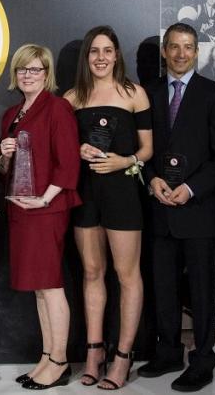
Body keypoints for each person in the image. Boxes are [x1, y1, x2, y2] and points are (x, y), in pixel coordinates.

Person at [139, 22, 215, 392]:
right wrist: (151, 178)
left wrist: (192, 189)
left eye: (188, 47)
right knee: (162, 287)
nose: (181, 53)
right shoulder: (146, 94)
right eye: (174, 47)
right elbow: (141, 149)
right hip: (159, 206)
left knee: (200, 290)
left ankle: (203, 358)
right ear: (164, 51)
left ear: (197, 52)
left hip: (197, 209)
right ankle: (168, 352)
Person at [64, 25, 153, 390]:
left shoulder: (135, 94)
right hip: (85, 194)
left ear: (117, 55)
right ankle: (94, 352)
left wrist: (124, 161)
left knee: (127, 275)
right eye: (94, 51)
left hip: (123, 194)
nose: (101, 57)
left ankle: (123, 356)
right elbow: (61, 149)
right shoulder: (71, 98)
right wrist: (77, 150)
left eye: (107, 50)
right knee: (91, 273)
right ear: (87, 57)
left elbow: (147, 150)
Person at [0, 44, 80, 390]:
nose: (28, 76)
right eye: (22, 70)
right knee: (39, 290)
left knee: (51, 286)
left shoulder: (58, 108)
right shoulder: (11, 114)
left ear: (47, 74)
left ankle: (59, 361)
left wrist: (44, 200)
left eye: (35, 70)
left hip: (46, 209)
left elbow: (69, 162)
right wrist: (2, 155)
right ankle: (46, 357)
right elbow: (5, 170)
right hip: (20, 209)